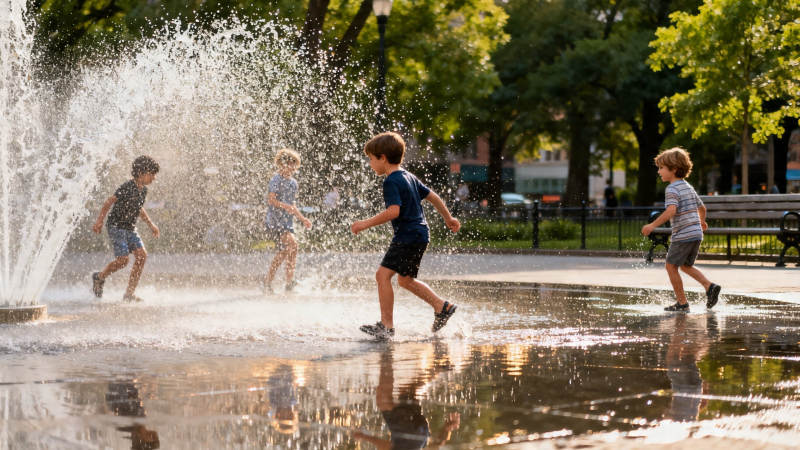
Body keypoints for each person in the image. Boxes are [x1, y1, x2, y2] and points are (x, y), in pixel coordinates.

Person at [351, 132, 461, 340]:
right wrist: (448, 217)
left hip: (408, 235)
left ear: (382, 158)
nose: (370, 163)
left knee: (382, 275)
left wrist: (364, 224)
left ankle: (386, 326)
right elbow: (433, 196)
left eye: (371, 159)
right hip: (420, 234)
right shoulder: (408, 176)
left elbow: (394, 211)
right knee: (405, 280)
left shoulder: (391, 181)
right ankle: (441, 306)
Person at [641, 147, 721, 312]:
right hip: (696, 233)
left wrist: (652, 225)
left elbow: (671, 211)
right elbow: (702, 207)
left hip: (683, 234)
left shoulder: (672, 189)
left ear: (674, 169)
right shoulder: (687, 186)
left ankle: (682, 303)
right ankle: (709, 286)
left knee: (670, 266)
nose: (659, 171)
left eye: (661, 168)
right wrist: (702, 221)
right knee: (685, 265)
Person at [353, 346, 460, 449]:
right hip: (407, 430)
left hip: (422, 433)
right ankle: (385, 351)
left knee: (408, 391)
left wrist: (447, 428)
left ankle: (437, 370)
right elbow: (385, 446)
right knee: (383, 399)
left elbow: (437, 444)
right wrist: (364, 436)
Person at [91, 156, 160, 303]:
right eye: (152, 174)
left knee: (142, 256)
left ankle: (129, 294)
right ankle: (99, 277)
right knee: (123, 260)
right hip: (116, 226)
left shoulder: (143, 191)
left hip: (130, 228)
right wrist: (99, 221)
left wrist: (151, 224)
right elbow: (109, 201)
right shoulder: (127, 186)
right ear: (141, 172)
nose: (154, 178)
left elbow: (139, 208)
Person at [264, 148, 312, 294]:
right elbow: (271, 200)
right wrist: (285, 206)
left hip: (287, 223)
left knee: (290, 249)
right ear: (281, 164)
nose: (291, 167)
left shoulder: (293, 183)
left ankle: (287, 282)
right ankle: (270, 282)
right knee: (291, 246)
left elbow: (293, 204)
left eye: (294, 164)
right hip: (274, 221)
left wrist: (303, 219)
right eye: (289, 164)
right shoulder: (276, 179)